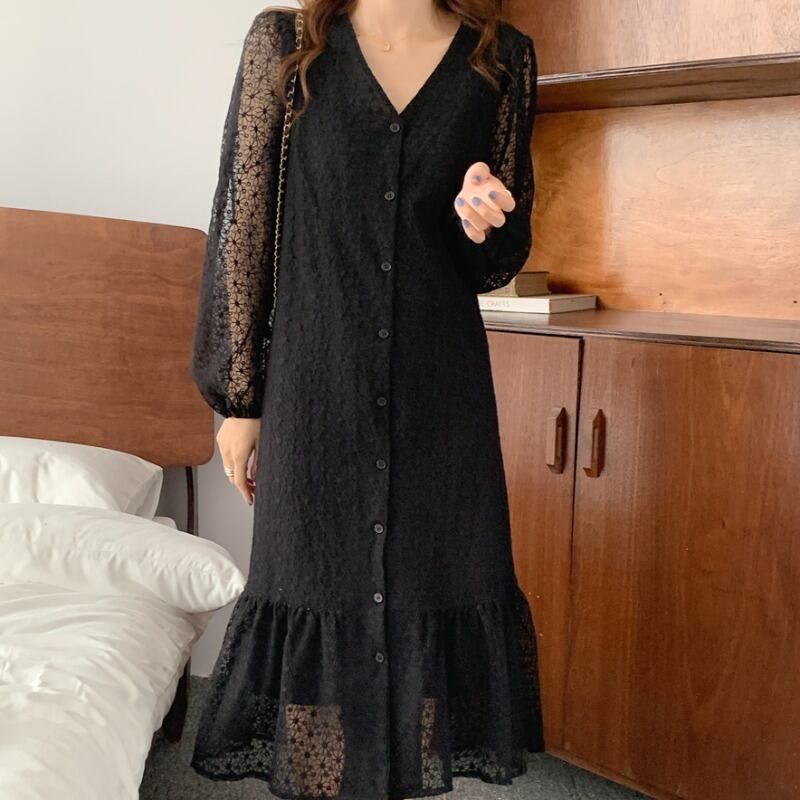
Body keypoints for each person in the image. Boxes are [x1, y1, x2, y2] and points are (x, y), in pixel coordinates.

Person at [188, 1, 544, 797]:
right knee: (316, 590)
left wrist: (479, 218)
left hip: (439, 394)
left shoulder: (501, 59)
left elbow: (496, 257)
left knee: (426, 596)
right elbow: (244, 225)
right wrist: (240, 398)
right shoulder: (287, 45)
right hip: (315, 386)